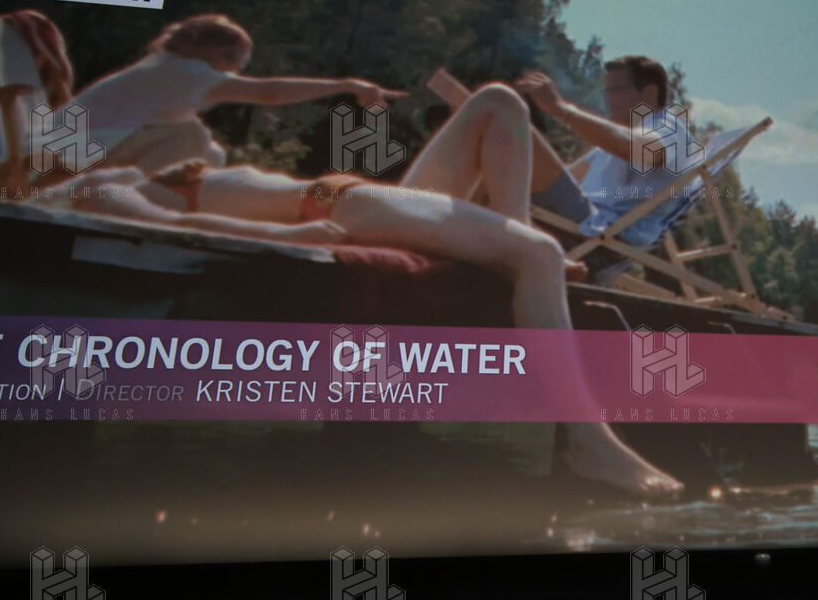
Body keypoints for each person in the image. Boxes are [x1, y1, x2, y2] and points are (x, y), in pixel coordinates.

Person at [47, 82, 684, 501]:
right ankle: (589, 443)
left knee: (498, 103)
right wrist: (284, 236)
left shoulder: (145, 168)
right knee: (540, 254)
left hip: (348, 196)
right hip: (334, 204)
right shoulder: (96, 186)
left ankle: (504, 245)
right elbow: (181, 228)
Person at [68, 13, 404, 175]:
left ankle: (142, 202)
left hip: (65, 152)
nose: (236, 72)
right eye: (237, 61)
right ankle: (118, 206)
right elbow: (269, 93)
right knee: (191, 137)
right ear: (211, 51)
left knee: (211, 154)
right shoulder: (187, 72)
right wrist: (348, 85)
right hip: (59, 162)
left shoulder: (164, 67)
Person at [510, 56, 701, 279]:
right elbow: (564, 177)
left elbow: (635, 149)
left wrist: (560, 109)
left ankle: (506, 235)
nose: (609, 99)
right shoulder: (622, 137)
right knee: (503, 134)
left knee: (506, 112)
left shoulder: (668, 128)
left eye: (617, 90)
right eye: (607, 91)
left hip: (594, 241)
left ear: (650, 93)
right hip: (578, 225)